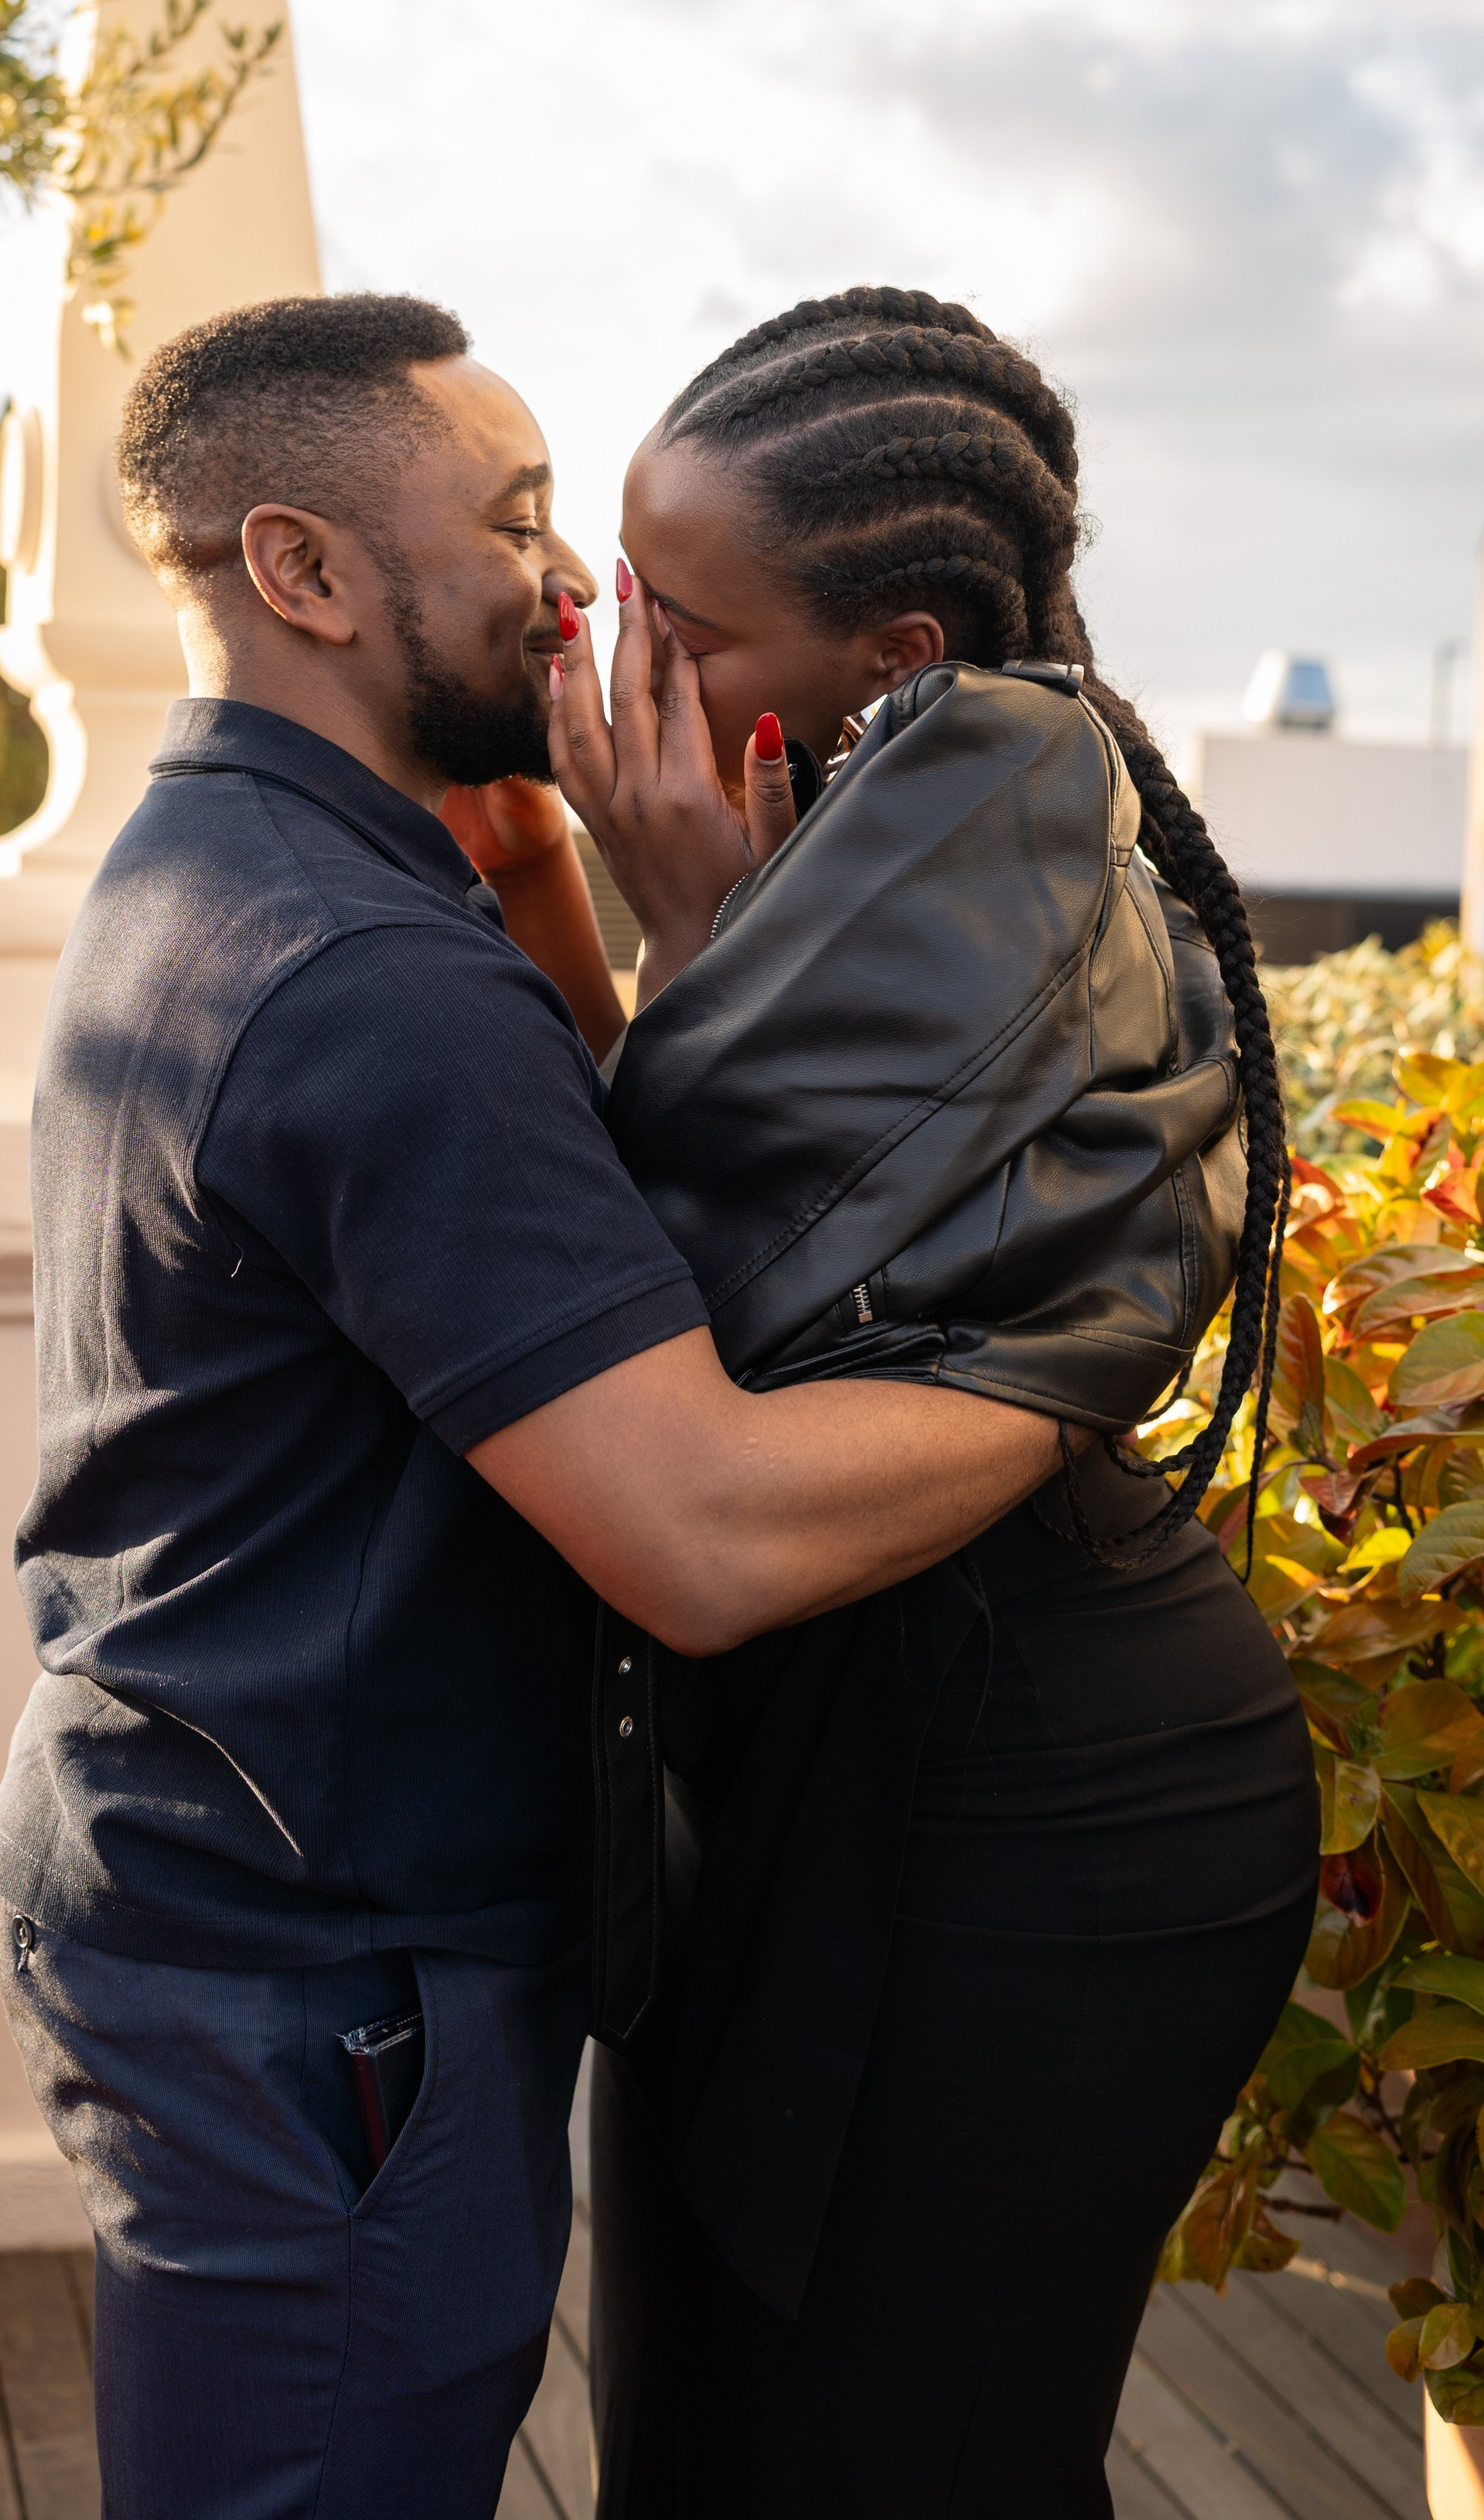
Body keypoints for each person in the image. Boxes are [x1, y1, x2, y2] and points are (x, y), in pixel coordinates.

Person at [0, 291, 1073, 2520]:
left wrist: (606, 917)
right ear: (304, 571)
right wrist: (1072, 1374)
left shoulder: (230, 867)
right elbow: (707, 1530)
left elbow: (532, 1259)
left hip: (205, 1887)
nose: (578, 585)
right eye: (519, 517)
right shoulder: (372, 981)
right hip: (331, 1981)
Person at [541, 285, 1320, 2518]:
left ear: (889, 658)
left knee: (895, 2466)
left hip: (1051, 1814)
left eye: (681, 621)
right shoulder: (889, 857)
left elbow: (690, 1357)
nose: (625, 671)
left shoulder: (960, 878)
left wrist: (688, 948)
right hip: (874, 1772)